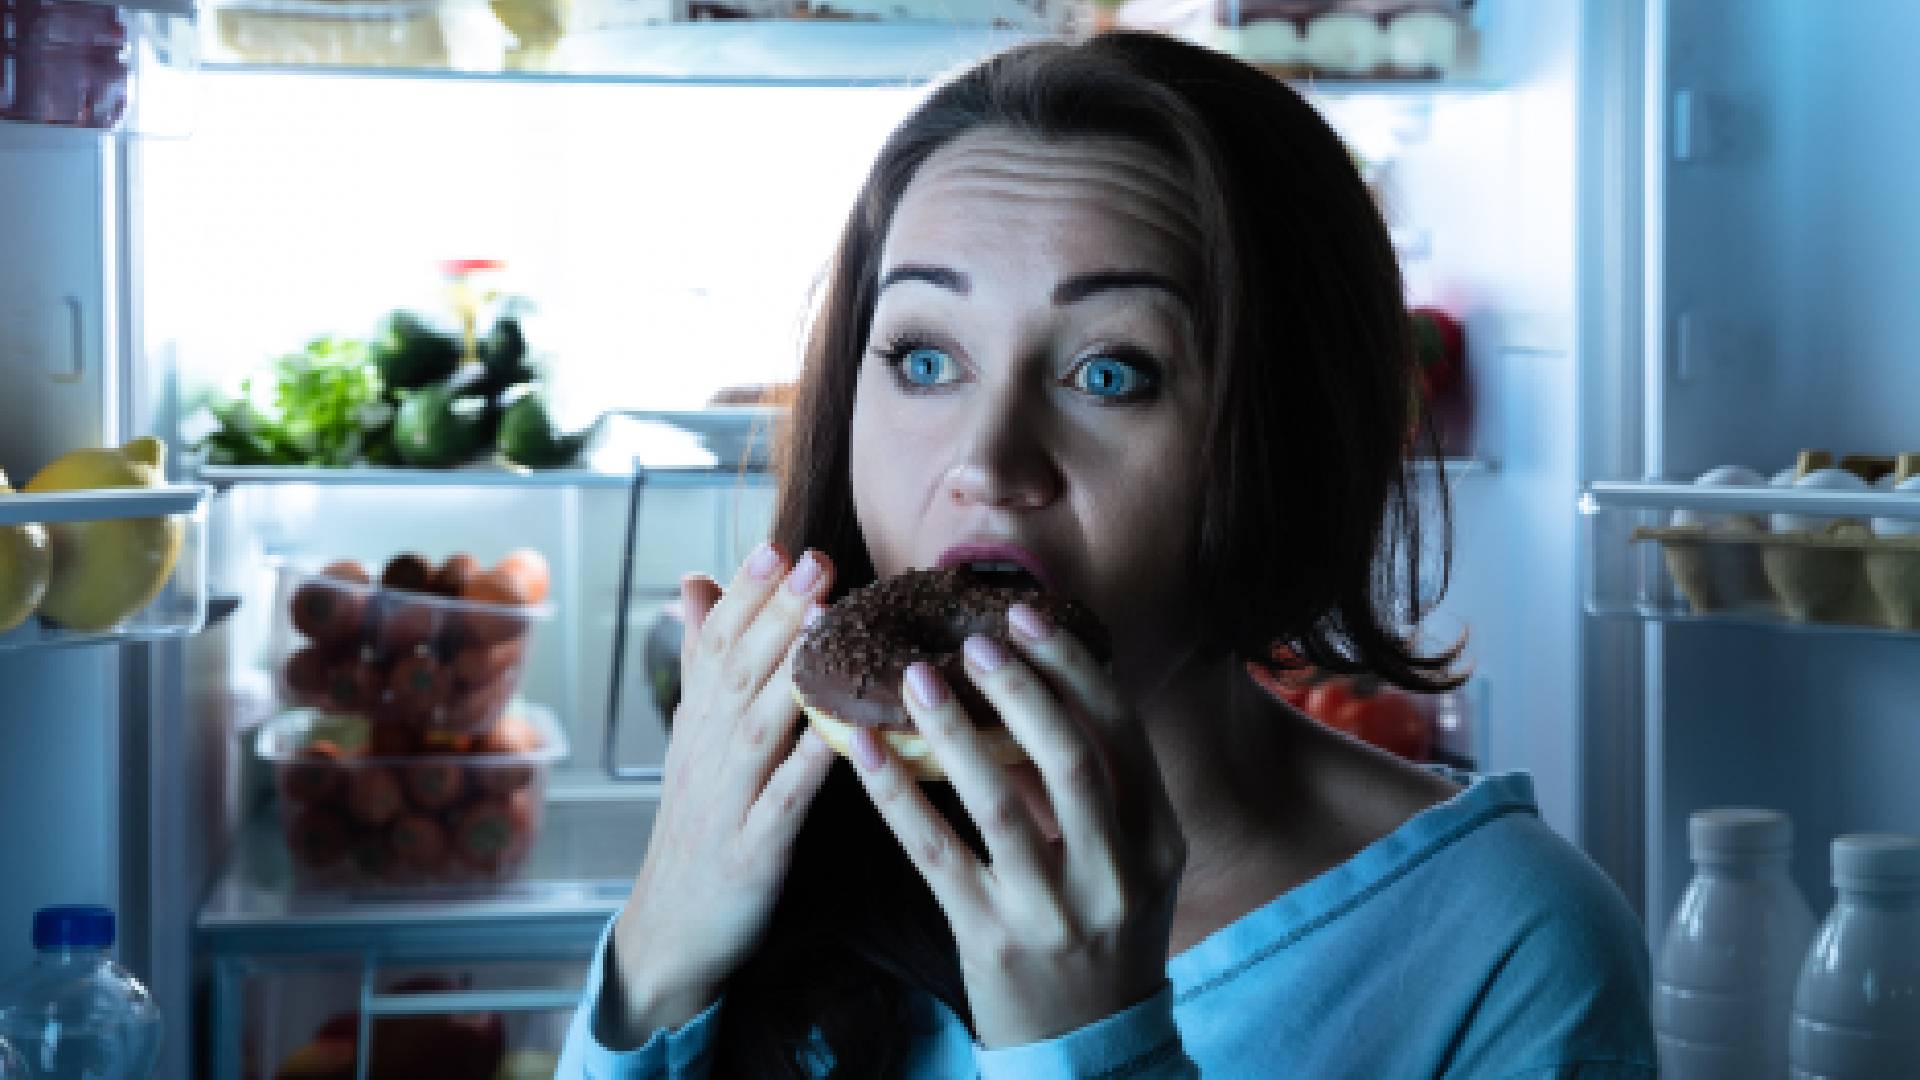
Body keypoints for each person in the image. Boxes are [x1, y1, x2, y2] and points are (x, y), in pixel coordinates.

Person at [559, 31, 1656, 1078]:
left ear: (1292, 436)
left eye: (1109, 374)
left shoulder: (1507, 947)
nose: (988, 463)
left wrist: (1088, 1047)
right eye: (926, 359)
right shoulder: (769, 856)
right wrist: (657, 954)